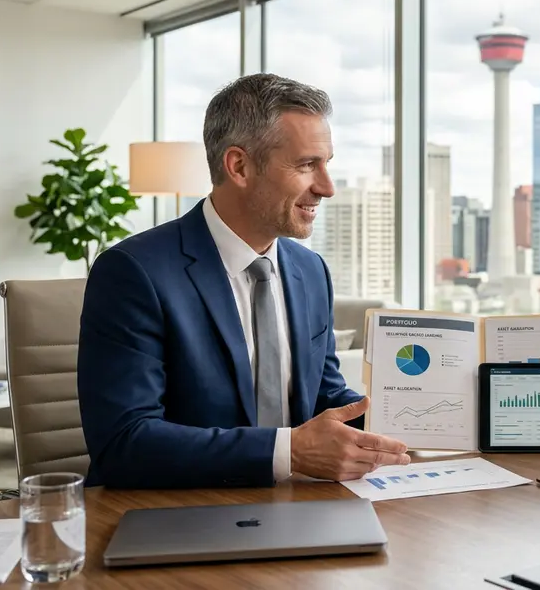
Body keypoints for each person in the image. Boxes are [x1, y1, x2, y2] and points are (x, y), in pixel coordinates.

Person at [78, 73, 410, 489]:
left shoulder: (311, 272)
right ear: (239, 166)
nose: (326, 188)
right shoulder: (132, 272)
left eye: (327, 164)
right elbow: (124, 443)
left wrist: (418, 417)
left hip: (297, 508)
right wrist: (291, 451)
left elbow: (324, 398)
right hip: (177, 513)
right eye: (307, 165)